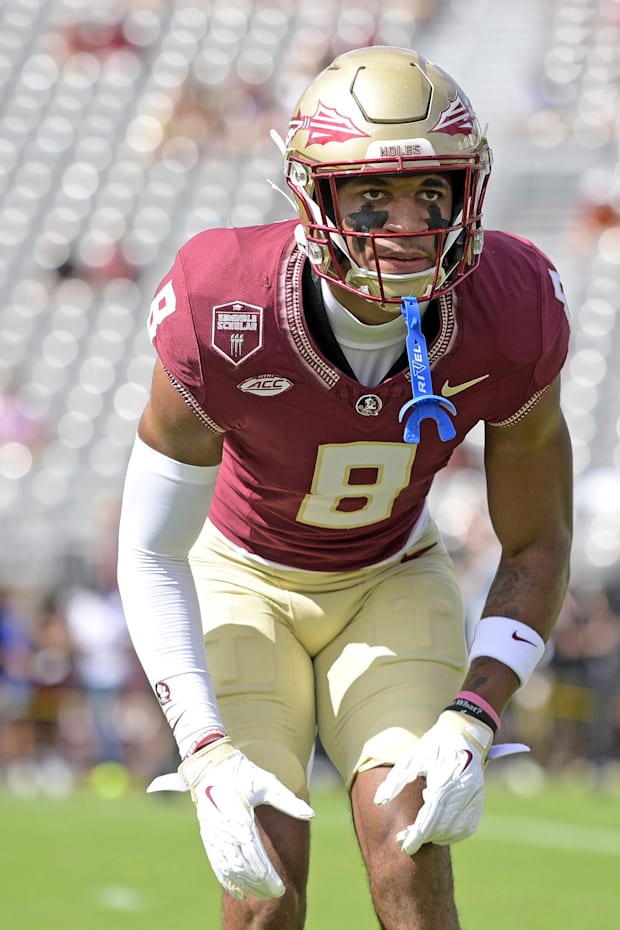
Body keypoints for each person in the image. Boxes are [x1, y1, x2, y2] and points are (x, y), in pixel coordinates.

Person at [117, 46, 573, 930]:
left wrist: (477, 712)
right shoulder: (224, 303)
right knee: (265, 867)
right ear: (314, 197)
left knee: (409, 831)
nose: (405, 222)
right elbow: (149, 546)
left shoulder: (514, 309)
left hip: (389, 575)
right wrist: (204, 750)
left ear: (465, 193)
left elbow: (538, 540)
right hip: (242, 577)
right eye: (371, 194)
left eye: (430, 192)